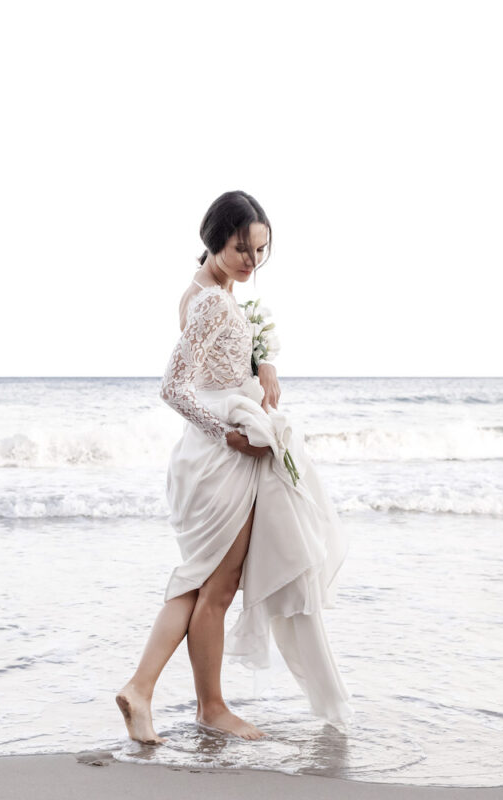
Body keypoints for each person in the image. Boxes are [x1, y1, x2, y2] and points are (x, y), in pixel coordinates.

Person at [116, 190, 351, 745]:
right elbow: (173, 388)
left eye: (261, 250)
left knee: (204, 585)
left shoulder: (207, 291)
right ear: (214, 238)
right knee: (214, 589)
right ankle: (199, 704)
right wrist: (228, 433)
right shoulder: (214, 304)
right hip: (220, 458)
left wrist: (262, 360)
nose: (252, 261)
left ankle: (162, 695)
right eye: (242, 248)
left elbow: (224, 358)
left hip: (209, 455)